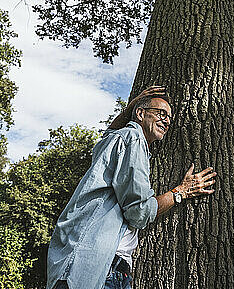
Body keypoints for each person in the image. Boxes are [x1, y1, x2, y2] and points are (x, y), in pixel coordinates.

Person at [46, 86, 217, 289]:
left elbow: (108, 133)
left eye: (169, 117)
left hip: (86, 265)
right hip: (98, 269)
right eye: (161, 113)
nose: (167, 121)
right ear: (140, 114)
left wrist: (131, 106)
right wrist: (182, 191)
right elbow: (139, 212)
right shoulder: (132, 138)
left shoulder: (116, 140)